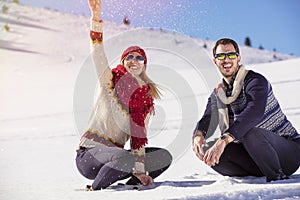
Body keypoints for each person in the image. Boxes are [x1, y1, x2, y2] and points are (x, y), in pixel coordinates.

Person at [75, 0, 172, 191]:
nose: (134, 60)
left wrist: (140, 171)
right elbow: (98, 53)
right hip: (90, 156)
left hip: (117, 160)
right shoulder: (109, 81)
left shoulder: (144, 103)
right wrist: (96, 19)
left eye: (139, 58)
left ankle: (132, 188)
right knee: (126, 158)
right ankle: (95, 190)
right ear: (123, 61)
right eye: (129, 57)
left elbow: (138, 140)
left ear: (144, 65)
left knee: (162, 157)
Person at [192, 38, 300, 182]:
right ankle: (253, 178)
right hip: (255, 156)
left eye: (230, 55)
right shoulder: (219, 94)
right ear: (215, 61)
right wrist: (198, 135)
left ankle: (277, 178)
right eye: (220, 56)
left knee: (248, 131)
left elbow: (254, 112)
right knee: (210, 150)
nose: (226, 60)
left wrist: (224, 140)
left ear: (238, 58)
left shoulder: (255, 81)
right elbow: (207, 118)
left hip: (288, 152)